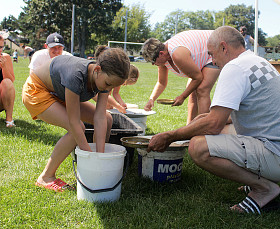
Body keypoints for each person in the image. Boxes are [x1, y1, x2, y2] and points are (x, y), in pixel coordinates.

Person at [147, 26, 280, 215]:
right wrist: (192, 126)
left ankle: (264, 188)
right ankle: (261, 179)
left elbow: (214, 124)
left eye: (212, 54)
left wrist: (171, 136)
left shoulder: (234, 68)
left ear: (224, 47)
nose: (212, 61)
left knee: (198, 147)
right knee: (211, 129)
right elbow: (218, 117)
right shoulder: (255, 61)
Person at [22, 46, 130, 192]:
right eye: (108, 84)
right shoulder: (75, 75)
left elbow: (100, 116)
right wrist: (89, 158)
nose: (107, 89)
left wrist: (99, 155)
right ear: (97, 69)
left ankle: (93, 169)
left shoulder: (104, 77)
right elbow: (73, 122)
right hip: (37, 91)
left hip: (58, 92)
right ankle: (46, 177)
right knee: (77, 128)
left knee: (107, 118)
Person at [141, 30, 220, 124]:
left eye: (153, 60)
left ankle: (204, 128)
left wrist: (182, 97)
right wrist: (151, 99)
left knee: (201, 90)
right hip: (201, 55)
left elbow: (197, 77)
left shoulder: (177, 54)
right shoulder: (163, 58)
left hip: (216, 47)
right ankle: (190, 127)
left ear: (161, 53)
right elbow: (161, 83)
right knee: (192, 93)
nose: (153, 64)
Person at [0, 35, 16, 127]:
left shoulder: (6, 57)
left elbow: (11, 81)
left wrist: (4, 66)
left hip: (1, 100)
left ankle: (9, 120)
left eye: (1, 47)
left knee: (7, 82)